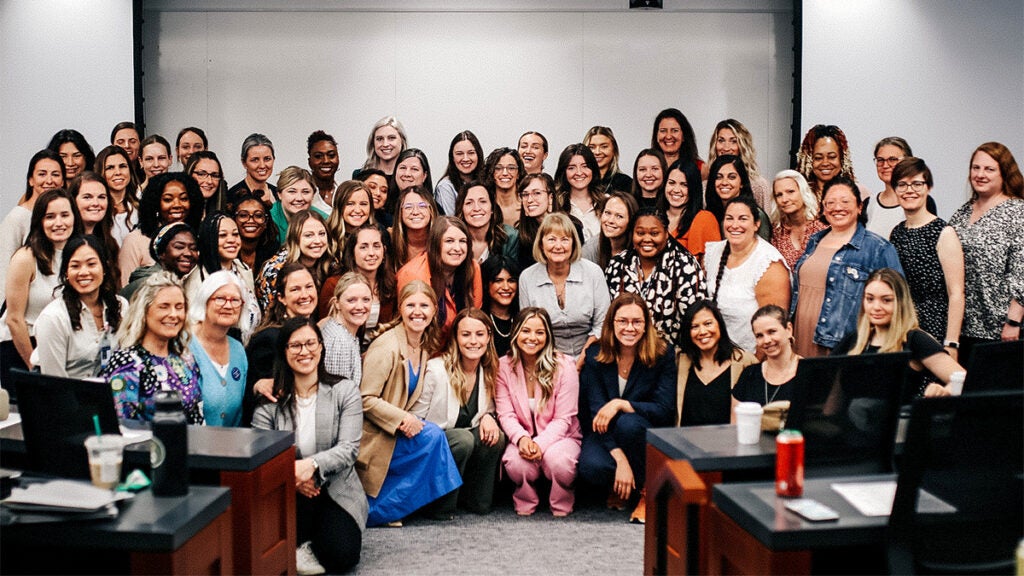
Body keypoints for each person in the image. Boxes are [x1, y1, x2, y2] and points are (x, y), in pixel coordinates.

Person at [252, 316, 365, 574]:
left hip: (335, 487)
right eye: (296, 346)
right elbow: (262, 455)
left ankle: (306, 546)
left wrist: (310, 466)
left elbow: (349, 449)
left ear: (321, 347)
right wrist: (294, 476)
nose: (305, 351)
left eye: (311, 343)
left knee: (343, 555)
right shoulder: (269, 403)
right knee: (266, 549)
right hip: (288, 488)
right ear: (284, 352)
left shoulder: (344, 391)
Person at [357, 280, 462, 526]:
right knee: (433, 437)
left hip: (394, 428)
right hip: (374, 433)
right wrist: (403, 419)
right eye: (410, 305)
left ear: (434, 311)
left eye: (424, 305)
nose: (418, 311)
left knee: (435, 437)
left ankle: (399, 506)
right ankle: (379, 511)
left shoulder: (423, 344)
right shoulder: (386, 346)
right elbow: (365, 398)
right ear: (400, 309)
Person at [578, 294, 676, 524]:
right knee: (591, 466)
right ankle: (622, 482)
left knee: (628, 423)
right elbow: (596, 414)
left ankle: (645, 493)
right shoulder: (595, 356)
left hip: (644, 432)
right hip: (606, 432)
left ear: (646, 325)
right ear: (612, 323)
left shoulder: (662, 353)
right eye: (622, 321)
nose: (629, 328)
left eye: (637, 322)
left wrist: (622, 404)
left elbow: (664, 409)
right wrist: (620, 460)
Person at [792, 177, 903, 357]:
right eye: (831, 202)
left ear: (859, 207)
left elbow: (899, 301)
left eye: (845, 202)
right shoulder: (814, 241)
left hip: (841, 346)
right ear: (823, 208)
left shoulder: (878, 248)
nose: (837, 207)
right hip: (800, 337)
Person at [413, 308, 506, 515]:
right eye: (466, 334)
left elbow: (486, 410)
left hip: (465, 443)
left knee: (494, 436)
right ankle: (439, 505)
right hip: (434, 445)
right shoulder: (436, 370)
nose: (473, 341)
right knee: (463, 439)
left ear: (489, 337)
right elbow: (415, 418)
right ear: (455, 338)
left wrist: (489, 417)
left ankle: (475, 500)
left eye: (479, 334)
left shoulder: (489, 369)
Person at [495, 307, 582, 517]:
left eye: (540, 332)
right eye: (526, 331)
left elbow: (564, 418)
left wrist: (539, 444)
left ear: (548, 336)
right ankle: (525, 497)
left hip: (562, 437)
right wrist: (522, 439)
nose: (532, 338)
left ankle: (562, 499)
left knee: (558, 462)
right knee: (516, 462)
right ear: (516, 333)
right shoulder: (503, 366)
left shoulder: (565, 366)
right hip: (522, 437)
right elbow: (505, 414)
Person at [833, 269, 965, 398]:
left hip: (896, 419)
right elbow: (832, 391)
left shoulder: (914, 340)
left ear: (901, 302)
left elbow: (962, 380)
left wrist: (944, 391)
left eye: (886, 300)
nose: (876, 307)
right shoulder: (853, 340)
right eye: (870, 299)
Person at [948, 142, 1024, 358]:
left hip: (1002, 329)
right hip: (965, 326)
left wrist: (1013, 321)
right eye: (976, 168)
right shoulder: (962, 213)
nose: (980, 174)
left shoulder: (1017, 212)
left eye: (989, 169)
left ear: (1004, 174)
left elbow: (1021, 272)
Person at [100, 271, 203, 424]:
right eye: (164, 307)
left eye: (179, 307)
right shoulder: (127, 363)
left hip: (188, 445)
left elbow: (198, 415)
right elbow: (121, 425)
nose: (173, 314)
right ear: (145, 312)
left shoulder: (185, 358)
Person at [888, 157, 965, 351]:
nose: (909, 190)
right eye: (902, 185)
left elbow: (956, 294)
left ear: (928, 187)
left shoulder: (944, 232)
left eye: (917, 184)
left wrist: (951, 343)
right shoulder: (897, 233)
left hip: (936, 331)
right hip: (903, 329)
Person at [1, 189, 76, 381]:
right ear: (39, 221)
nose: (59, 223)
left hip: (60, 347)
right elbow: (14, 319)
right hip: (21, 348)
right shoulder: (25, 258)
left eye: (65, 215)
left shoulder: (78, 254)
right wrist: (33, 366)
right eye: (50, 216)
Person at [605, 208, 706, 349]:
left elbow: (694, 318)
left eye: (654, 233)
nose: (647, 239)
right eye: (640, 233)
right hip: (624, 351)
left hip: (670, 355)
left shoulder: (685, 265)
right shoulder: (617, 265)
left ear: (666, 234)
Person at [519, 213, 610, 366]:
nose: (558, 246)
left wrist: (583, 358)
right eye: (551, 239)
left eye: (565, 239)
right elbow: (530, 328)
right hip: (546, 357)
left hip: (592, 354)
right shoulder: (527, 278)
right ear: (541, 244)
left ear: (574, 243)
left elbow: (602, 324)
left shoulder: (593, 273)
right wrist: (559, 363)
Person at [704, 197, 791, 352]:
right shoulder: (714, 252)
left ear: (756, 224)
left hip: (751, 358)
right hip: (715, 354)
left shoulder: (769, 264)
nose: (734, 225)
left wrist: (753, 368)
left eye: (743, 219)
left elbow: (773, 330)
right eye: (729, 218)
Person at [33, 234, 125, 379]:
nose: (83, 272)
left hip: (111, 393)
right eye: (75, 266)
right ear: (66, 273)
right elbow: (55, 384)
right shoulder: (53, 318)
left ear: (104, 267)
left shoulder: (121, 306)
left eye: (91, 264)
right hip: (67, 396)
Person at [247, 263, 319, 409]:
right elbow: (262, 394)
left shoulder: (314, 330)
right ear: (282, 298)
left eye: (309, 287)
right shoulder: (269, 338)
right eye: (295, 289)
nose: (305, 295)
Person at [676, 300, 757, 426]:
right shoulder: (679, 361)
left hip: (728, 442)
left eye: (708, 324)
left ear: (720, 324)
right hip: (685, 442)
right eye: (694, 327)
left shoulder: (745, 362)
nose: (702, 331)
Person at [184, 211, 260, 344]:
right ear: (209, 239)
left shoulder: (243, 270)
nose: (231, 240)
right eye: (222, 235)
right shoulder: (196, 280)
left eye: (235, 234)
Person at [397, 216, 482, 334]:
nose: (457, 248)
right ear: (435, 243)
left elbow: (474, 317)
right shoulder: (412, 274)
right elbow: (407, 326)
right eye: (449, 241)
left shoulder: (473, 268)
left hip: (459, 345)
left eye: (462, 241)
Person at [0, 150, 65, 303]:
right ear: (31, 180)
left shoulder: (65, 218)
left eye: (55, 174)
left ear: (63, 181)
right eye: (42, 174)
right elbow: (3, 270)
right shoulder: (17, 217)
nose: (49, 180)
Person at [118, 172, 204, 286]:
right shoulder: (135, 241)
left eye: (184, 198)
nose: (177, 204)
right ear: (155, 203)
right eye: (168, 200)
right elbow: (126, 290)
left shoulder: (200, 237)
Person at [188, 271, 248, 426]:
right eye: (220, 299)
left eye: (235, 300)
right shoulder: (184, 345)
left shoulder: (238, 350)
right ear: (205, 301)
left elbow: (238, 417)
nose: (228, 306)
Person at [256, 210, 331, 312]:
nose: (318, 241)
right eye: (309, 235)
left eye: (322, 234)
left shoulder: (329, 263)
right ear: (295, 238)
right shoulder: (276, 270)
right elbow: (272, 315)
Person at [732, 305, 805, 407]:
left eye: (772, 332)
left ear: (788, 329)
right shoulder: (750, 374)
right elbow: (736, 419)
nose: (766, 340)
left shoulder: (810, 372)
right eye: (759, 335)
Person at [864, 137, 934, 237]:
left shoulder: (920, 200)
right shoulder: (868, 204)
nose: (885, 165)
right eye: (880, 160)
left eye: (892, 159)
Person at [334, 222, 397, 336]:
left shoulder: (391, 284)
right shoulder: (333, 285)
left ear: (384, 251)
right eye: (364, 247)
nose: (371, 253)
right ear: (352, 253)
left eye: (376, 246)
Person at [120, 222, 198, 301]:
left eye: (194, 248)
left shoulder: (184, 283)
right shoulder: (149, 286)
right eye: (179, 247)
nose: (188, 253)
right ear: (161, 252)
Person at [704, 119, 771, 210]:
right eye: (721, 140)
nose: (726, 148)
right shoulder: (704, 186)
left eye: (733, 141)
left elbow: (765, 221)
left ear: (743, 146)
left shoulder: (759, 185)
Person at [662, 160, 719, 263]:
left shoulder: (705, 219)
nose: (676, 190)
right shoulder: (655, 217)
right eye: (671, 183)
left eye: (684, 185)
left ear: (693, 188)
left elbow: (713, 268)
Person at [69, 172, 121, 284]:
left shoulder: (109, 244)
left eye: (102, 197)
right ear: (73, 200)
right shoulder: (64, 242)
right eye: (87, 197)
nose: (96, 203)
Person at [768, 170, 826, 269]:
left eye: (790, 192)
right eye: (779, 195)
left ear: (803, 192)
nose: (784, 199)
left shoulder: (822, 226)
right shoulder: (776, 231)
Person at [704, 154, 771, 241]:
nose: (724, 182)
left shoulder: (756, 214)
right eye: (718, 177)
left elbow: (763, 251)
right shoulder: (710, 213)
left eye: (732, 177)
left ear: (742, 183)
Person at [319, 272, 370, 383]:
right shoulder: (340, 342)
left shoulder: (343, 331)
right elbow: (336, 395)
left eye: (366, 299)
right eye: (351, 300)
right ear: (337, 303)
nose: (360, 307)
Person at [796, 124, 867, 202]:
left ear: (842, 159)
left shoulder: (860, 193)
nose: (825, 163)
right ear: (807, 161)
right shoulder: (798, 195)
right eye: (818, 158)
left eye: (832, 157)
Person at [455, 180, 516, 263]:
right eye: (469, 203)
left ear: (492, 209)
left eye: (483, 201)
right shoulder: (453, 239)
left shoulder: (510, 237)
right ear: (461, 209)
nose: (476, 208)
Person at [554, 144, 604, 243]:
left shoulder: (607, 203)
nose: (579, 172)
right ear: (564, 172)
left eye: (585, 166)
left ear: (593, 169)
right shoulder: (554, 204)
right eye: (571, 168)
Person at [95, 145, 141, 246]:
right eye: (110, 168)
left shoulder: (142, 205)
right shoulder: (94, 209)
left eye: (122, 166)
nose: (118, 172)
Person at [271, 166, 328, 245]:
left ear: (313, 195)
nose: (299, 198)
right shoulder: (267, 220)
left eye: (305, 192)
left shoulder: (323, 220)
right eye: (292, 191)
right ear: (279, 194)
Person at [583, 190, 638, 269]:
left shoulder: (639, 250)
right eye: (607, 213)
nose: (610, 220)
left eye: (619, 216)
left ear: (631, 221)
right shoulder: (590, 248)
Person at [323, 180, 375, 263]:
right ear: (339, 206)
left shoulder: (379, 235)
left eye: (363, 204)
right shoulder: (326, 236)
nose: (358, 210)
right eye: (350, 204)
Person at [435, 130, 484, 216]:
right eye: (459, 154)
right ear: (452, 158)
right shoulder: (446, 187)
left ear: (478, 155)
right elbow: (452, 224)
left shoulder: (486, 181)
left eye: (471, 153)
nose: (465, 158)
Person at [514, 172, 556, 271]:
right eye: (525, 194)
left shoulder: (572, 226)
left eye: (537, 193)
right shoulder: (521, 233)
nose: (529, 200)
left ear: (550, 197)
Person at [480, 254, 520, 357]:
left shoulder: (522, 318)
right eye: (498, 281)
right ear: (486, 284)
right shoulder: (479, 320)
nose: (506, 287)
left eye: (511, 281)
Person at [231, 191, 279, 274]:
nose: (251, 220)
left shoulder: (274, 252)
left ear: (266, 222)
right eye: (243, 215)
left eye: (258, 215)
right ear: (233, 220)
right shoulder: (225, 250)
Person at [390, 186, 437, 269]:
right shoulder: (390, 242)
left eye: (422, 206)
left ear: (431, 210)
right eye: (408, 207)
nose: (415, 212)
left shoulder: (442, 242)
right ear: (400, 213)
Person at [227, 133, 277, 207]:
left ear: (274, 159)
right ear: (244, 163)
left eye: (267, 159)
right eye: (255, 160)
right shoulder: (232, 196)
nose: (262, 165)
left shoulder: (278, 194)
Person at [483, 147, 525, 228]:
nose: (505, 173)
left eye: (511, 168)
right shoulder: (484, 208)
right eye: (498, 168)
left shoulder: (528, 206)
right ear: (491, 173)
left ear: (519, 173)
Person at [584, 126, 632, 194]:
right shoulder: (579, 181)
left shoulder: (625, 183)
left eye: (604, 147)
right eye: (591, 147)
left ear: (614, 150)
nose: (597, 152)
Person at [306, 130, 340, 215]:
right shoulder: (302, 194)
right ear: (309, 162)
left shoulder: (345, 191)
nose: (326, 161)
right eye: (318, 156)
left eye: (331, 155)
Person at [185, 150, 228, 215]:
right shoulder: (179, 212)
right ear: (189, 174)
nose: (209, 181)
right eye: (201, 174)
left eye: (214, 175)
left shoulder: (224, 212)